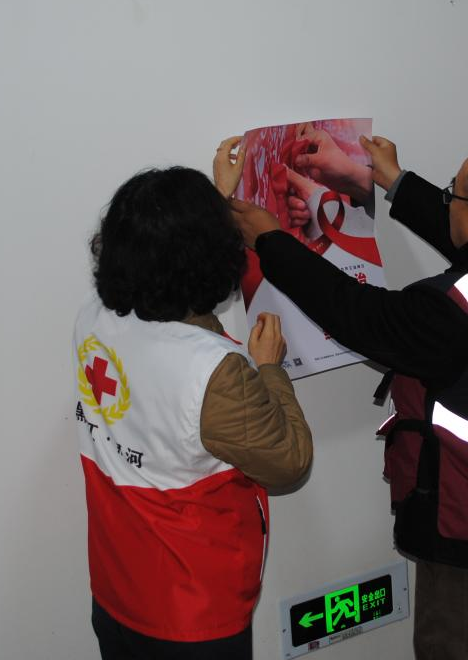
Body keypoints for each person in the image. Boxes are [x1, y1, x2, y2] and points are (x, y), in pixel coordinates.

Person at [222, 136, 468, 660]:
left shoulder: (458, 315)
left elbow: (357, 313)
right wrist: (396, 182)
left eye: (452, 196)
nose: (448, 204)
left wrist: (270, 240)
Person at [74, 159, 313, 660]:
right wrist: (270, 368)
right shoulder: (215, 371)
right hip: (191, 616)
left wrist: (215, 205)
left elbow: (171, 296)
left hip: (117, 590)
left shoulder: (93, 322)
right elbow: (289, 461)